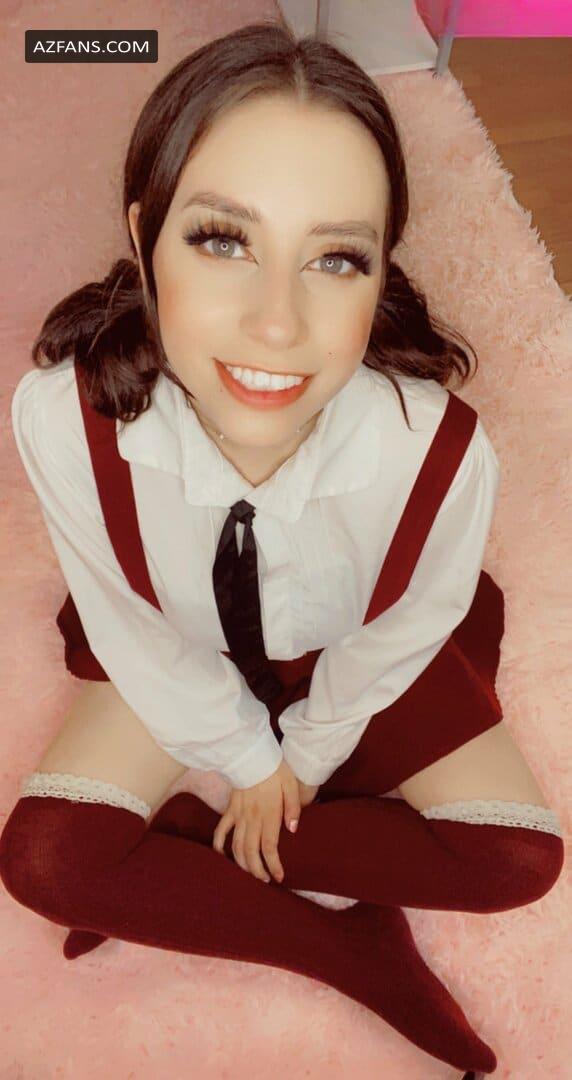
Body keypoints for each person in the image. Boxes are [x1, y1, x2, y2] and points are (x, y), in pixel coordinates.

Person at [0, 19, 563, 1079]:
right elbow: (129, 622)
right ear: (144, 234)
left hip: (343, 650)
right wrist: (248, 762)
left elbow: (407, 624)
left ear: (378, 271)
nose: (276, 323)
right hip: (181, 642)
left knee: (516, 860)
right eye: (223, 240)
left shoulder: (436, 450)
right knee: (41, 863)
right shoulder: (62, 415)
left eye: (335, 258)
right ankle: (346, 949)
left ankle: (184, 849)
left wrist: (299, 758)